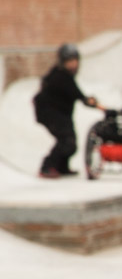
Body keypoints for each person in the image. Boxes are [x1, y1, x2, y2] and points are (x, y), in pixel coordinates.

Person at [32, 43, 102, 178]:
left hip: (60, 113)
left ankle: (62, 167)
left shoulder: (63, 75)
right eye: (69, 61)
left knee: (70, 142)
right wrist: (92, 103)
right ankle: (47, 167)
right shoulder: (60, 77)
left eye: (75, 61)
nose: (73, 65)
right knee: (66, 140)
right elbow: (78, 95)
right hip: (50, 114)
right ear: (62, 62)